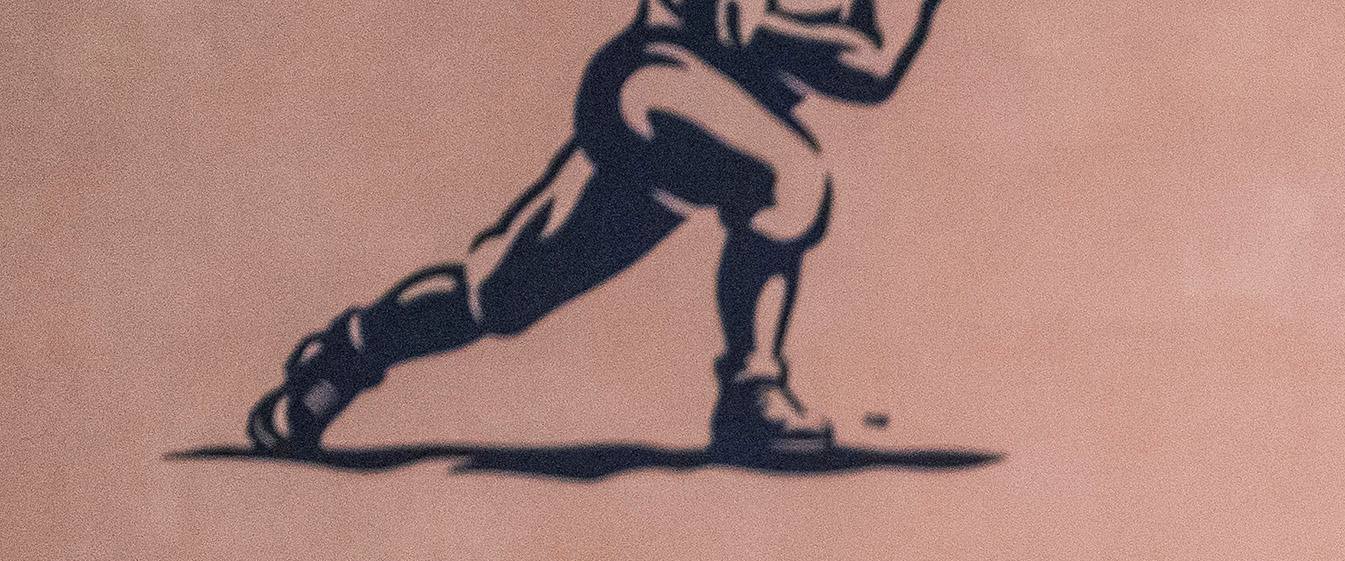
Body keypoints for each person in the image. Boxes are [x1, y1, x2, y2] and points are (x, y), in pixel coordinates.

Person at [246, 0, 944, 467]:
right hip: (651, 83)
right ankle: (750, 389)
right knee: (791, 174)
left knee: (497, 296)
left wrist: (788, 38)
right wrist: (816, 43)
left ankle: (349, 352)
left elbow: (875, 69)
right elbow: (739, 29)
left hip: (721, 138)